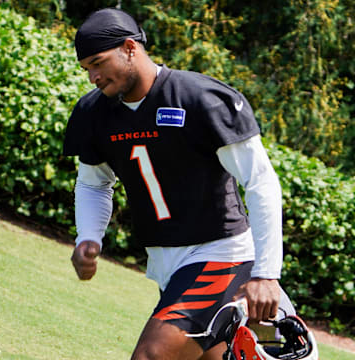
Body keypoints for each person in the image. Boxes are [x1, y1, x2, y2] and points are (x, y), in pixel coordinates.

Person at [63, 8, 294, 360]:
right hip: (167, 264)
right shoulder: (93, 112)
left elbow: (260, 181)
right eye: (86, 69)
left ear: (129, 47)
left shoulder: (200, 98)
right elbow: (94, 184)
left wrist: (266, 273)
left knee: (152, 356)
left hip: (221, 254)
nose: (92, 76)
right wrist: (89, 237)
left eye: (98, 62)